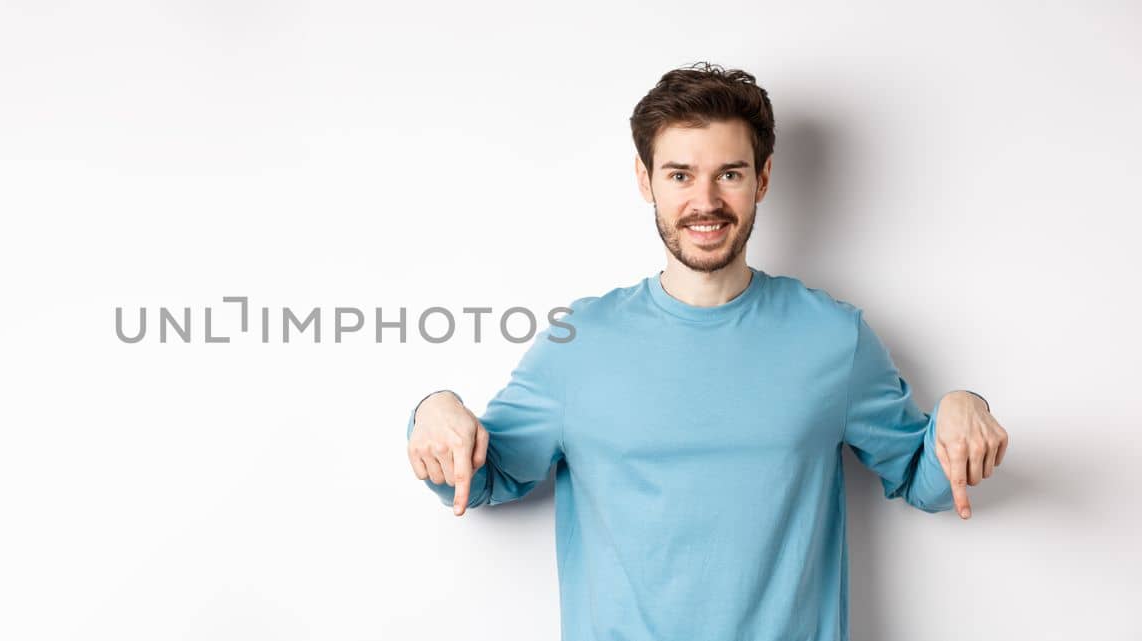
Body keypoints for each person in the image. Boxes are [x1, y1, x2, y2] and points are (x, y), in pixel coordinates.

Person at [403, 62, 1009, 641]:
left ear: (762, 179)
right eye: (680, 174)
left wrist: (963, 404)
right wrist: (434, 409)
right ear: (645, 181)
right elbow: (483, 479)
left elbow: (924, 478)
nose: (706, 201)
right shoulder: (579, 344)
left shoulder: (833, 337)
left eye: (729, 173)